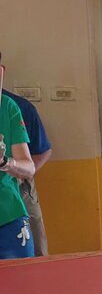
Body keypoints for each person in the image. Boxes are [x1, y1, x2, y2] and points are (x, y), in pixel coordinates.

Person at [1, 51, 52, 256]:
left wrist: (8, 164)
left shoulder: (12, 106)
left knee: (31, 270)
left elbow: (38, 156)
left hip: (13, 203)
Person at [0, 90, 36, 259]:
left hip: (9, 215)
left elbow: (29, 168)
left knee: (23, 282)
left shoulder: (7, 105)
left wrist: (5, 162)